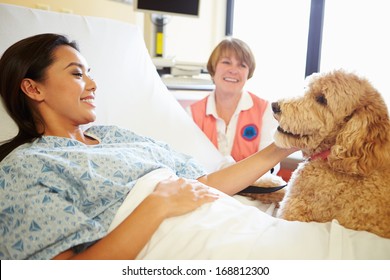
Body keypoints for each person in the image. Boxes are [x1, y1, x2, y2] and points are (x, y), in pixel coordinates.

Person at [0, 34, 296, 260]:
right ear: (33, 88)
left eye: (90, 73)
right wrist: (157, 204)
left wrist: (284, 145)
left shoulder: (114, 135)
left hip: (233, 220)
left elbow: (203, 184)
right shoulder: (25, 166)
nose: (92, 84)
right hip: (197, 246)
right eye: (77, 74)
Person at [187, 38, 279, 172]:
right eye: (226, 62)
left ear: (248, 73)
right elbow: (189, 162)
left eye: (242, 65)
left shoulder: (265, 110)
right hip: (205, 190)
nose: (233, 70)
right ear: (213, 69)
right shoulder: (192, 114)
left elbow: (270, 163)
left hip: (253, 191)